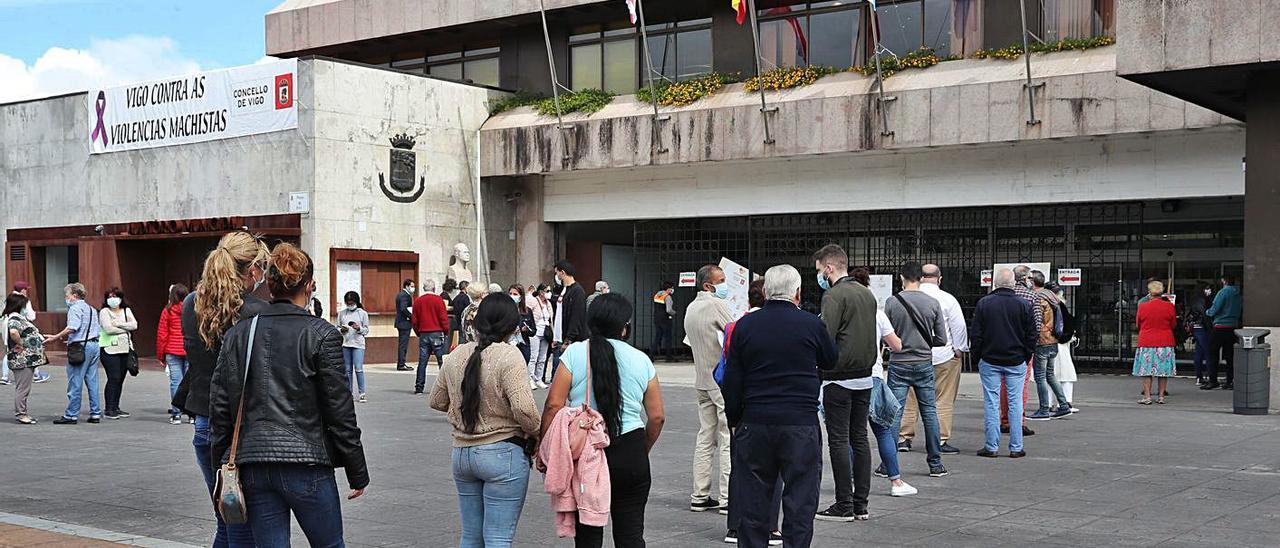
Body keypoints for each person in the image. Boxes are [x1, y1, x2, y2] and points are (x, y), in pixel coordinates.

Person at [209, 243, 368, 546]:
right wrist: (356, 470)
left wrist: (222, 462)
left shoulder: (239, 333)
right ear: (309, 286)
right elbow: (340, 410)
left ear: (269, 285)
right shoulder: (321, 334)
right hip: (307, 462)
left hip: (254, 463)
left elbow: (220, 407)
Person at [722, 264, 837, 548]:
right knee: (800, 499)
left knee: (753, 501)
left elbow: (732, 379)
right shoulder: (811, 324)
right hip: (800, 422)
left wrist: (735, 418)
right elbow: (831, 360)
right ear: (797, 293)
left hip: (755, 420)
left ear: (764, 291)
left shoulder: (745, 325)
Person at [541, 293, 666, 548]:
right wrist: (642, 449)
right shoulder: (641, 360)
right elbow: (657, 416)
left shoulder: (574, 354)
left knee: (587, 537)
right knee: (630, 535)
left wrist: (544, 447)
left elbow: (554, 404)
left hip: (586, 450)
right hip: (630, 449)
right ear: (624, 326)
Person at [175, 231, 270, 547]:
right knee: (242, 522)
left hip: (203, 423)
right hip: (240, 430)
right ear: (252, 269)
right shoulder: (255, 313)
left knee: (227, 515)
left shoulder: (191, 303)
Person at [430, 295, 540, 548]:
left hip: (462, 454)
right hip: (503, 453)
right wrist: (537, 431)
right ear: (512, 326)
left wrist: (464, 405)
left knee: (470, 535)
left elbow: (436, 400)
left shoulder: (458, 354)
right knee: (498, 538)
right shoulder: (509, 356)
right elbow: (524, 409)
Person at [811, 244, 878, 522]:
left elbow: (826, 337)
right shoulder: (866, 293)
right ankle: (860, 503)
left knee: (838, 440)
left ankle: (843, 503)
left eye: (819, 270)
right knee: (859, 438)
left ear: (829, 267)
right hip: (865, 376)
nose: (819, 276)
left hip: (839, 378)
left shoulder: (834, 295)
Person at [723, 278, 784, 545]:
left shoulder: (735, 326)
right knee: (776, 469)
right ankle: (771, 526)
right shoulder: (783, 324)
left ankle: (735, 526)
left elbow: (729, 369)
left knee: (742, 467)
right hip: (774, 405)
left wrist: (733, 415)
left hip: (744, 404)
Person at [849, 269, 916, 497]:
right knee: (883, 431)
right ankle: (896, 482)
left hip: (847, 379)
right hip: (874, 378)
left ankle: (848, 482)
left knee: (849, 434)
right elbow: (896, 345)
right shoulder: (877, 313)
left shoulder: (840, 308)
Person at [883, 261, 949, 477]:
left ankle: (888, 465)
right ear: (921, 278)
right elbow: (942, 338)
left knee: (895, 413)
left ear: (902, 278)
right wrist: (924, 342)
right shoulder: (932, 303)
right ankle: (935, 464)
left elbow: (887, 335)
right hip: (923, 363)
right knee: (929, 411)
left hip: (899, 363)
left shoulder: (892, 303)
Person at [899, 264, 969, 455]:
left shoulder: (903, 298)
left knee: (909, 399)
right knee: (943, 400)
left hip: (910, 355)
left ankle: (904, 437)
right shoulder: (948, 299)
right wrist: (959, 349)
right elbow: (959, 327)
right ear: (940, 278)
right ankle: (940, 439)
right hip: (942, 356)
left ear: (920, 277)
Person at [684, 264, 736, 517]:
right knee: (727, 437)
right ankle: (728, 497)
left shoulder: (691, 308)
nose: (725, 284)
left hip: (701, 379)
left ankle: (700, 495)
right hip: (721, 381)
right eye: (722, 280)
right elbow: (737, 331)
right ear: (708, 285)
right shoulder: (714, 305)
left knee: (705, 438)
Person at [972, 268, 1037, 458]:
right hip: (1016, 360)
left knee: (992, 403)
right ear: (1013, 284)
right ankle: (1016, 447)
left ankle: (991, 446)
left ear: (995, 284)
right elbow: (1031, 335)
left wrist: (979, 356)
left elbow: (976, 334)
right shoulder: (1024, 304)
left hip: (990, 359)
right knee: (1015, 402)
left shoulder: (984, 304)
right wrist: (1025, 355)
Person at [49, 283, 103, 425]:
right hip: (94, 345)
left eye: (67, 295)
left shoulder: (74, 308)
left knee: (75, 380)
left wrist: (55, 337)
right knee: (92, 381)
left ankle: (72, 414)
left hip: (81, 347)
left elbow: (72, 328)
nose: (66, 298)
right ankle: (95, 413)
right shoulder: (91, 309)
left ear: (74, 295)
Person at [1000, 265, 1040, 437]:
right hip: (1022, 349)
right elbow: (1036, 326)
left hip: (1000, 347)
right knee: (1021, 386)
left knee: (1002, 385)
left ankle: (1004, 421)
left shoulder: (998, 297)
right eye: (1030, 278)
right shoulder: (1032, 297)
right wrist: (1029, 348)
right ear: (1024, 279)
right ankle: (1019, 422)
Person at [1027, 271, 1072, 420]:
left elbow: (1037, 320)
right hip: (1053, 339)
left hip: (1042, 341)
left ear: (1033, 282)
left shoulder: (1039, 298)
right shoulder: (1051, 295)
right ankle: (1064, 405)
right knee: (1050, 375)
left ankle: (1044, 409)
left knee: (1040, 376)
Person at [96, 287, 138, 420]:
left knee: (120, 379)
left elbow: (134, 325)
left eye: (115, 296)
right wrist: (125, 328)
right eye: (110, 296)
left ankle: (116, 407)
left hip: (125, 349)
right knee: (113, 378)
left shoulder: (127, 310)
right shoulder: (104, 312)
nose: (112, 299)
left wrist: (118, 324)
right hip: (110, 350)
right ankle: (109, 408)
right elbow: (108, 329)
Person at [5, 292, 47, 424]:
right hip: (23, 359)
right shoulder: (14, 319)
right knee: (23, 388)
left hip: (28, 358)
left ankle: (22, 412)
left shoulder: (18, 318)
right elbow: (13, 332)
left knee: (24, 387)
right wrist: (21, 343)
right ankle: (21, 414)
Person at [1135, 281, 1178, 405]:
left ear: (1149, 293)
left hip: (1146, 341)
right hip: (1165, 341)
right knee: (1163, 371)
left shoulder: (1142, 307)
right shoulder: (1169, 306)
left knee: (1146, 371)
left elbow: (1138, 324)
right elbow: (1173, 324)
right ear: (1162, 293)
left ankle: (1147, 397)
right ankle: (1161, 397)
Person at [157, 283, 191, 424]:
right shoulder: (193, 309)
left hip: (172, 349)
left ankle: (176, 414)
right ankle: (191, 414)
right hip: (189, 349)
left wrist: (160, 355)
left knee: (175, 382)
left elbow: (162, 334)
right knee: (190, 382)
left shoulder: (168, 310)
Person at [1, 281, 47, 386]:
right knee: (30, 349)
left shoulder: (9, 298)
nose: (26, 291)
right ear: (22, 290)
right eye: (26, 289)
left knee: (9, 348)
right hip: (20, 326)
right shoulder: (24, 300)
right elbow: (31, 316)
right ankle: (36, 375)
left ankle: (4, 376)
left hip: (6, 323)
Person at [1202, 276, 1242, 390]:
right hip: (1233, 326)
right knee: (1230, 355)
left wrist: (1207, 312)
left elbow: (1215, 309)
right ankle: (1230, 380)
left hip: (1220, 326)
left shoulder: (1223, 292)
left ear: (1224, 281)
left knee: (1212, 353)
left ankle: (1213, 380)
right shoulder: (1238, 294)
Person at [551, 261, 590, 372]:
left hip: (570, 340)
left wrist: (568, 340)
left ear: (562, 273)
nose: (556, 276)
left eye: (557, 273)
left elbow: (576, 317)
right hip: (560, 338)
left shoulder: (577, 291)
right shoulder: (565, 290)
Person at [412, 279, 450, 394]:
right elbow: (443, 318)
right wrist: (446, 331)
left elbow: (414, 320)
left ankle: (419, 387)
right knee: (441, 361)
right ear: (434, 288)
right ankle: (445, 387)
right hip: (437, 333)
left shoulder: (418, 301)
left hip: (424, 333)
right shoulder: (438, 300)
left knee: (422, 362)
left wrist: (418, 332)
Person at [1048, 282, 1079, 412]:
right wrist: (1070, 336)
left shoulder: (1043, 304)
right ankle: (1065, 403)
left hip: (1046, 343)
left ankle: (1048, 403)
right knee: (1066, 374)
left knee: (1048, 375)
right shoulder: (1059, 306)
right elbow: (1066, 325)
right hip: (1060, 344)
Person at [337, 291, 371, 403]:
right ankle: (349, 392)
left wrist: (358, 328)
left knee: (358, 369)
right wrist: (341, 330)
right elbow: (337, 328)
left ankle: (362, 393)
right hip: (346, 344)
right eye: (348, 303)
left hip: (358, 344)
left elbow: (366, 330)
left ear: (356, 302)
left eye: (352, 303)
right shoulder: (342, 313)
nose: (350, 305)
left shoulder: (362, 313)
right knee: (347, 370)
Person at [528, 284, 553, 389]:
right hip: (536, 332)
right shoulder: (534, 301)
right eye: (547, 291)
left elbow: (551, 319)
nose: (549, 293)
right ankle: (530, 378)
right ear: (541, 292)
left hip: (546, 332)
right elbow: (527, 312)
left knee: (542, 357)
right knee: (533, 356)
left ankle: (538, 378)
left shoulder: (549, 304)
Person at [1189, 282, 1212, 386]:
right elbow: (1205, 315)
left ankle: (1199, 376)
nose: (1209, 291)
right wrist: (1210, 327)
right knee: (1208, 352)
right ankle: (1209, 376)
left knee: (1199, 352)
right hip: (1202, 328)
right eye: (1207, 288)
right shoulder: (1202, 300)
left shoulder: (1194, 299)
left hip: (1195, 327)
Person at [509, 285, 535, 376]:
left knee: (522, 370)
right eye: (510, 293)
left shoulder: (527, 311)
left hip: (524, 344)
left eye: (515, 294)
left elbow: (533, 331)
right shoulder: (505, 310)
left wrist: (526, 330)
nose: (512, 296)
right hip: (510, 344)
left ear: (521, 297)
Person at [650, 281, 676, 363]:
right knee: (668, 338)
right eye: (672, 288)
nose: (672, 290)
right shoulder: (667, 297)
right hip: (665, 319)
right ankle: (669, 357)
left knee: (657, 337)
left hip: (657, 318)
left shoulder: (657, 295)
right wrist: (674, 312)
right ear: (668, 289)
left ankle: (651, 355)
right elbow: (668, 310)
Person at [395, 279, 416, 371]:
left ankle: (401, 363)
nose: (413, 288)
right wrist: (411, 316)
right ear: (406, 286)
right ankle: (401, 364)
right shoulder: (404, 296)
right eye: (411, 286)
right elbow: (403, 309)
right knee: (403, 345)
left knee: (402, 344)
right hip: (404, 323)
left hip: (402, 323)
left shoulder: (402, 295)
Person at [451, 280, 473, 349]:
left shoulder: (456, 298)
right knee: (464, 340)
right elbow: (468, 309)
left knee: (461, 339)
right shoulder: (465, 297)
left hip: (457, 321)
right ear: (465, 288)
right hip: (464, 321)